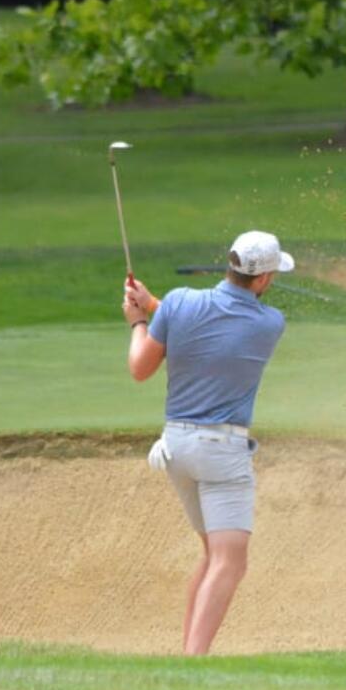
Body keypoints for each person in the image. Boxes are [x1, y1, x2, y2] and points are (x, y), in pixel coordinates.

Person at [120, 230, 293, 655]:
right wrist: (151, 311)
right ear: (262, 280)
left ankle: (188, 655)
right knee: (230, 562)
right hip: (221, 453)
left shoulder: (178, 302)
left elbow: (141, 367)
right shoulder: (269, 323)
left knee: (212, 555)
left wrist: (141, 320)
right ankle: (194, 662)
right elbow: (214, 332)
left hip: (176, 447)